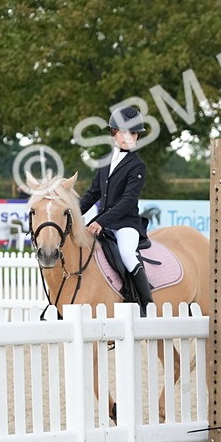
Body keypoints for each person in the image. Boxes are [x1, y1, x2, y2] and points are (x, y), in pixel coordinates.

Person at [76, 106, 154, 316]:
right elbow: (93, 194)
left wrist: (100, 221)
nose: (129, 137)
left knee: (127, 254)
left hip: (126, 224)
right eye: (124, 132)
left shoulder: (137, 165)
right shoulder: (104, 162)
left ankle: (145, 304)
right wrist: (73, 215)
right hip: (104, 222)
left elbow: (128, 201)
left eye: (134, 133)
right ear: (113, 133)